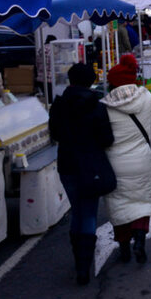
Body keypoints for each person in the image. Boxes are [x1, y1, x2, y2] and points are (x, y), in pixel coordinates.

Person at [49, 63, 114, 285]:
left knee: (77, 210)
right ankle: (83, 266)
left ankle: (79, 259)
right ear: (91, 81)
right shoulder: (97, 106)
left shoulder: (58, 105)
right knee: (88, 213)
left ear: (70, 80)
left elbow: (55, 134)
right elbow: (107, 139)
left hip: (67, 163)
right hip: (91, 165)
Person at [102, 54, 151, 265]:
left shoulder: (105, 107)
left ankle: (124, 246)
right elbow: (147, 94)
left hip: (115, 161)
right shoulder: (146, 100)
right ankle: (140, 241)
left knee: (119, 204)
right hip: (141, 159)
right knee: (142, 200)